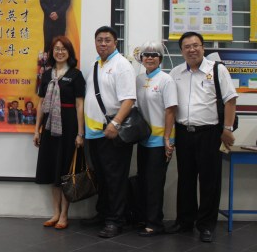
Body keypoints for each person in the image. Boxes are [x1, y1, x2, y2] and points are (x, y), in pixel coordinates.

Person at [166, 31, 237, 243]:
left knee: (209, 181)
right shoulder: (176, 72)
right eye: (187, 47)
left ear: (203, 47)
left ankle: (206, 225)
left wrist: (227, 129)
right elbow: (171, 106)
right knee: (185, 179)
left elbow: (230, 100)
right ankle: (185, 221)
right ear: (181, 51)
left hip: (210, 134)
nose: (192, 50)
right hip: (184, 133)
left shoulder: (217, 70)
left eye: (195, 45)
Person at [82, 26, 136, 238]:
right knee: (102, 177)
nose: (103, 43)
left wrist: (115, 123)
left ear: (115, 42)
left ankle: (116, 221)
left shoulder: (122, 65)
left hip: (112, 133)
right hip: (94, 133)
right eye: (99, 40)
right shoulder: (96, 64)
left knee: (115, 178)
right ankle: (104, 214)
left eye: (107, 40)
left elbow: (129, 99)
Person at [34, 36, 85, 230]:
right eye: (56, 49)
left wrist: (80, 133)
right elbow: (41, 103)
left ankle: (64, 215)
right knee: (52, 170)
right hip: (49, 128)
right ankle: (55, 213)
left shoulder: (76, 75)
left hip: (69, 127)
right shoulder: (47, 75)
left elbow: (79, 105)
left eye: (63, 49)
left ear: (69, 52)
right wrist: (36, 130)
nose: (60, 52)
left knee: (65, 172)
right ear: (51, 52)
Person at [134, 41, 177, 237]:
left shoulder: (166, 80)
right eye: (146, 54)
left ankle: (155, 223)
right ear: (141, 58)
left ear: (160, 59)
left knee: (154, 183)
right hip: (143, 139)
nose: (150, 58)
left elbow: (170, 110)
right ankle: (144, 218)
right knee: (143, 180)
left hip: (160, 141)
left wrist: (167, 139)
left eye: (154, 55)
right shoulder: (139, 79)